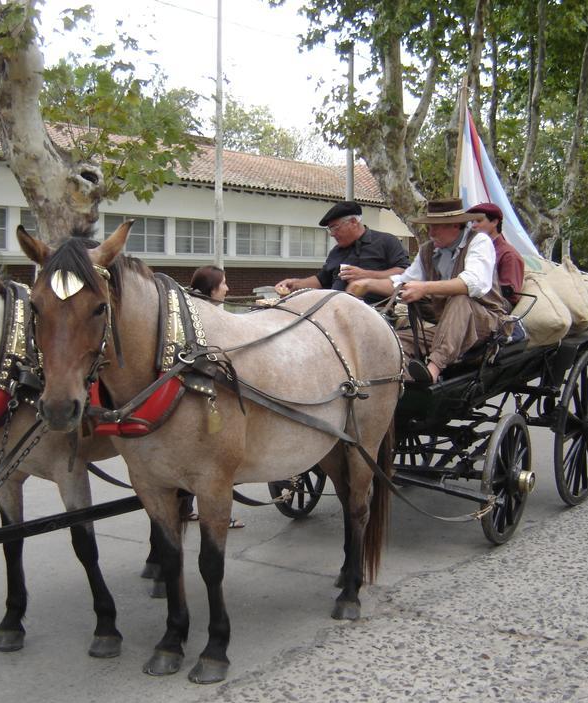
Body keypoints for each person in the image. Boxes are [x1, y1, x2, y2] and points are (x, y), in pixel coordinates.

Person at [347, 198, 510, 385]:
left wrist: (424, 288)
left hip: (485, 322)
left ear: (455, 225)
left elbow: (474, 282)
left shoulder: (479, 241)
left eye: (436, 227)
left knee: (460, 299)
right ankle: (404, 383)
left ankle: (433, 369)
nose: (430, 233)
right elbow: (402, 283)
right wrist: (367, 284)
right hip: (447, 327)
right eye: (429, 227)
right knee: (397, 340)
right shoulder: (427, 251)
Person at [186, 265, 243, 528]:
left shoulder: (190, 309)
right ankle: (221, 513)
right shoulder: (211, 315)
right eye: (224, 283)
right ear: (212, 288)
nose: (228, 288)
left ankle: (187, 506)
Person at [274, 201, 409, 301]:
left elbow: (404, 274)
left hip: (374, 314)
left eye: (335, 228)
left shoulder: (386, 241)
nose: (332, 234)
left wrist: (366, 274)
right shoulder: (336, 251)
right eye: (329, 229)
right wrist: (295, 284)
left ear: (353, 222)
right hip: (334, 310)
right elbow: (321, 281)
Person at [465, 202, 525, 302]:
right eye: (472, 222)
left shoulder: (508, 255)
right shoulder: (471, 249)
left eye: (479, 221)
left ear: (494, 222)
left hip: (496, 308)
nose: (473, 226)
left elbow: (510, 296)